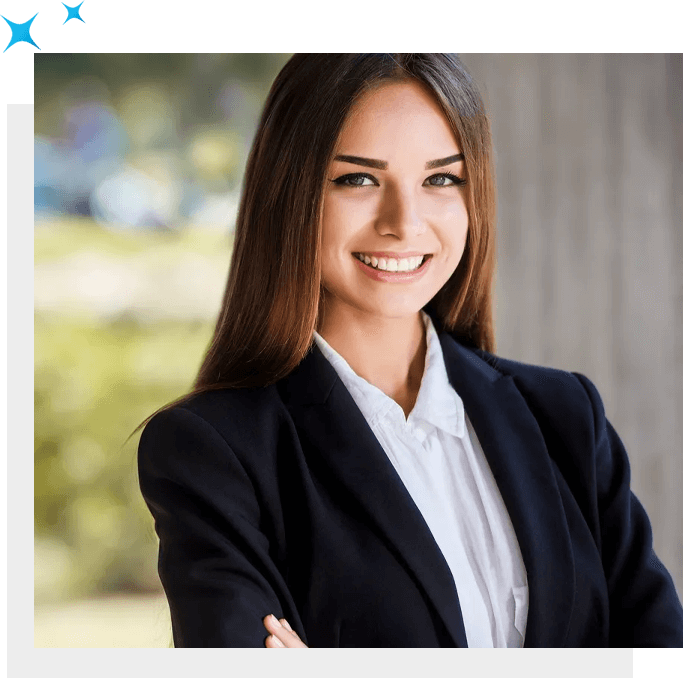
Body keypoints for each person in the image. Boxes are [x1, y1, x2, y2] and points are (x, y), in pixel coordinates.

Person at [134, 53, 683, 648]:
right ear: (289, 194)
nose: (405, 221)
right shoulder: (213, 453)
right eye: (358, 179)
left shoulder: (567, 418)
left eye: (441, 179)